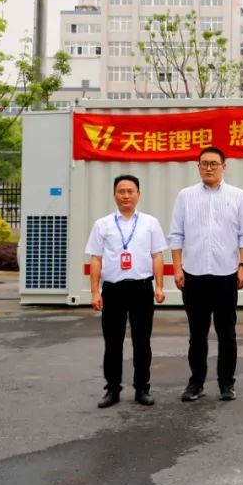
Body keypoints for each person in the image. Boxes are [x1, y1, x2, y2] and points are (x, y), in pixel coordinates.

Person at [169, 146, 243, 403]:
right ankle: (196, 383)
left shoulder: (238, 196)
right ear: (198, 167)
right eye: (204, 163)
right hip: (194, 275)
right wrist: (177, 267)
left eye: (214, 163)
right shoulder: (185, 196)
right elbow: (176, 234)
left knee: (227, 334)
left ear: (224, 167)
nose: (209, 168)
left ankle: (227, 383)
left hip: (226, 274)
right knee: (197, 336)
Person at [86, 174, 167, 408]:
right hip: (113, 290)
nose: (126, 196)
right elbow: (96, 259)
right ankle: (112, 389)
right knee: (113, 342)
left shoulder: (150, 223)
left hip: (141, 289)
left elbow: (157, 256)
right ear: (114, 195)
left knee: (142, 341)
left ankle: (142, 388)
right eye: (121, 191)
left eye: (130, 191)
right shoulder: (102, 224)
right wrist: (95, 291)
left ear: (138, 195)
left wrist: (159, 286)